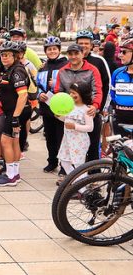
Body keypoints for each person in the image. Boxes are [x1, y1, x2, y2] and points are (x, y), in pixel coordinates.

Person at [53, 44, 103, 165]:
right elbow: (58, 91)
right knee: (66, 147)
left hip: (87, 111)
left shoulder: (93, 70)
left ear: (82, 54)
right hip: (69, 113)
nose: (73, 56)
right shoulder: (62, 71)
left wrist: (95, 106)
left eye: (76, 53)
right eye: (70, 54)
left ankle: (93, 176)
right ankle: (67, 176)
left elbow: (97, 90)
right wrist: (58, 109)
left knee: (92, 147)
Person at [0, 41, 31, 187]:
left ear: (15, 56)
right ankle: (15, 173)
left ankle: (10, 176)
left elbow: (23, 95)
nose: (4, 57)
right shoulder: (9, 69)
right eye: (2, 55)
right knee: (14, 142)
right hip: (13, 111)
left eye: (7, 55)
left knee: (5, 141)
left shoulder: (17, 71)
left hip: (16, 112)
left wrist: (15, 117)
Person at [76, 30, 112, 163]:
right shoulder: (72, 60)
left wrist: (101, 108)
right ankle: (72, 175)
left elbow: (107, 85)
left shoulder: (99, 61)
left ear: (92, 45)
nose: (84, 46)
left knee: (92, 145)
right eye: (81, 43)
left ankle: (94, 175)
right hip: (75, 111)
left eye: (86, 43)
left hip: (93, 111)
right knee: (74, 145)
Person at [36, 36, 68, 172]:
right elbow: (37, 84)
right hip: (46, 107)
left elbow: (72, 84)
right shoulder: (43, 66)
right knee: (50, 137)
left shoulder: (66, 65)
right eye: (49, 49)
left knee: (62, 137)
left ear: (59, 50)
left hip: (61, 109)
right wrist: (39, 94)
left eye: (55, 49)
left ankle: (64, 165)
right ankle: (52, 161)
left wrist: (57, 84)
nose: (52, 51)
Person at [55, 83, 94, 185]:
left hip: (79, 141)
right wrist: (59, 116)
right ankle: (77, 184)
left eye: (74, 93)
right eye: (70, 92)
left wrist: (75, 126)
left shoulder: (86, 110)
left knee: (79, 165)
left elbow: (90, 128)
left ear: (82, 94)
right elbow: (67, 120)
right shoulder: (69, 106)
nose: (71, 95)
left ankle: (82, 188)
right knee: (64, 160)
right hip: (67, 139)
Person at [111, 38, 133, 136]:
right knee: (119, 151)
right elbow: (112, 94)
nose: (120, 55)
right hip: (120, 120)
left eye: (124, 52)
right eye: (120, 52)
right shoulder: (117, 73)